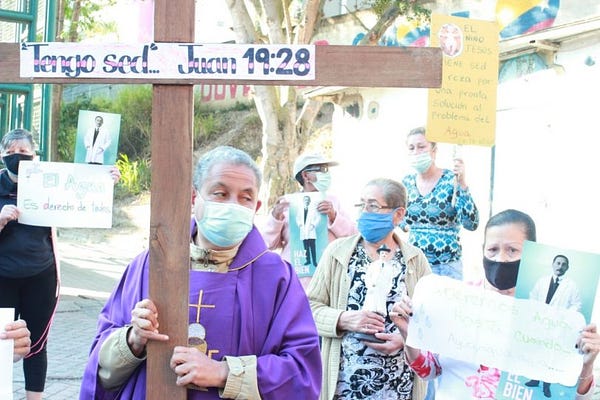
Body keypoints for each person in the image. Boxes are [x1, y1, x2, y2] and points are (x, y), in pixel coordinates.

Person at [79, 145, 322, 399]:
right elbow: (100, 366)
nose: (233, 205)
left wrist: (225, 373)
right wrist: (133, 340)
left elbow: (303, 370)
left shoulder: (276, 277)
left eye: (245, 198)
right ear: (194, 198)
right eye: (220, 193)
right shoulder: (149, 266)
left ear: (257, 206)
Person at [391, 209, 599, 399]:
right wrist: (410, 334)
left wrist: (586, 365)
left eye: (512, 250)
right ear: (483, 250)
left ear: (532, 252)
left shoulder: (551, 314)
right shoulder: (454, 300)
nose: (501, 259)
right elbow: (429, 370)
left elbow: (575, 395)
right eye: (492, 249)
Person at [0, 128, 120, 400]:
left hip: (41, 276)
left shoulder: (47, 181)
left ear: (34, 155)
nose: (17, 156)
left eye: (23, 151)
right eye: (10, 152)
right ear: (1, 155)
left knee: (36, 344)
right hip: (3, 277)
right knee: (3, 342)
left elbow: (80, 199)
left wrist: (104, 183)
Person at [307, 178, 431, 400]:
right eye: (361, 204)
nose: (364, 212)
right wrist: (343, 319)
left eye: (372, 205)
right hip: (346, 386)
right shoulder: (337, 252)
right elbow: (308, 308)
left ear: (398, 214)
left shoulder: (415, 259)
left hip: (398, 386)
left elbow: (432, 318)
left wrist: (405, 339)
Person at [261, 152, 357, 289]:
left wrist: (333, 217)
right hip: (294, 282)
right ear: (305, 175)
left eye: (326, 170)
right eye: (322, 169)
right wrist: (276, 218)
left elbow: (353, 236)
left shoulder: (333, 202)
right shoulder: (287, 203)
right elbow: (268, 244)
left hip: (328, 280)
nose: (326, 174)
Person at [401, 126, 479, 281]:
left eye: (421, 147)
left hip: (447, 266)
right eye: (411, 148)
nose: (416, 152)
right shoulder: (406, 183)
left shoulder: (452, 179)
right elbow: (397, 214)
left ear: (434, 150)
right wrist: (406, 227)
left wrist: (462, 183)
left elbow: (471, 223)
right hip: (415, 265)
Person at [525, 254, 582, 396]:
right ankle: (534, 379)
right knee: (537, 352)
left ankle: (546, 385)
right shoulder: (542, 281)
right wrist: (537, 313)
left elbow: (576, 304)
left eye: (563, 264)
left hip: (558, 327)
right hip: (540, 324)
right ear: (553, 264)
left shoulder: (571, 286)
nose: (560, 266)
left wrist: (564, 317)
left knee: (551, 356)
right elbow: (533, 297)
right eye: (558, 263)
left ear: (567, 268)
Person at [296, 194, 320, 267]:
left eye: (308, 200)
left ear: (309, 201)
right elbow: (297, 218)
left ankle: (314, 261)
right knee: (306, 248)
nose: (306, 201)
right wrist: (300, 224)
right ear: (303, 201)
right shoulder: (300, 210)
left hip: (311, 231)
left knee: (312, 248)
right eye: (305, 200)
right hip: (303, 232)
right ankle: (308, 260)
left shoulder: (313, 210)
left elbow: (318, 218)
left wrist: (313, 225)